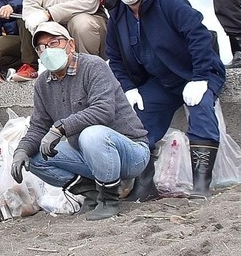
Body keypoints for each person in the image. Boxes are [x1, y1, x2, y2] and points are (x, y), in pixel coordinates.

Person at [105, 0, 226, 199]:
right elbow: (115, 57)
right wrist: (128, 88)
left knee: (200, 107)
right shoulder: (118, 15)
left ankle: (202, 184)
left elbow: (199, 34)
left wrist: (201, 76)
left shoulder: (167, 0)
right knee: (137, 119)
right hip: (160, 81)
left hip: (195, 74)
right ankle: (145, 184)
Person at [10, 22, 150, 221]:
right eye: (41, 47)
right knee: (33, 157)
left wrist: (60, 128)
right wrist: (21, 151)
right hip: (87, 154)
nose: (48, 50)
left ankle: (109, 199)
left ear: (71, 45)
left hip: (130, 152)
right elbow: (38, 126)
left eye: (54, 43)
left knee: (92, 134)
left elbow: (103, 111)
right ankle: (92, 194)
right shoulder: (43, 83)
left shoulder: (94, 66)